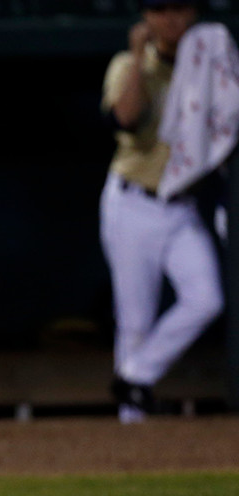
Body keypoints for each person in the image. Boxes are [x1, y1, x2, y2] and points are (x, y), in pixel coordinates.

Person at [100, 0, 224, 424]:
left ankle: (134, 376)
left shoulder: (210, 65)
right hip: (134, 202)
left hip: (182, 206)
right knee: (135, 320)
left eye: (179, 9)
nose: (169, 19)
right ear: (146, 17)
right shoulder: (127, 65)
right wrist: (138, 57)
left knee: (207, 299)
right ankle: (131, 429)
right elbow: (127, 118)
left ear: (194, 14)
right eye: (159, 9)